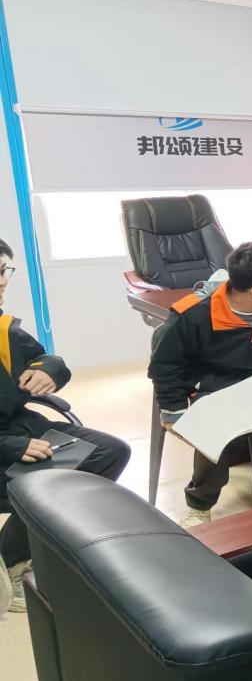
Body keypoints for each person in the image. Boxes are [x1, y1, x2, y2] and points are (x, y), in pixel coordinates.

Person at [0, 237, 130, 612]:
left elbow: (48, 359)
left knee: (109, 452)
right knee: (49, 484)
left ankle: (26, 548)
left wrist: (48, 371)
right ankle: (13, 561)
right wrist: (12, 447)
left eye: (4, 271)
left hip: (23, 428)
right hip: (7, 445)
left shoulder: (5, 331)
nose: (3, 281)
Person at [149, 242, 252, 528]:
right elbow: (166, 366)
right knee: (213, 429)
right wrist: (173, 410)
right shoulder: (195, 314)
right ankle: (200, 504)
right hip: (215, 387)